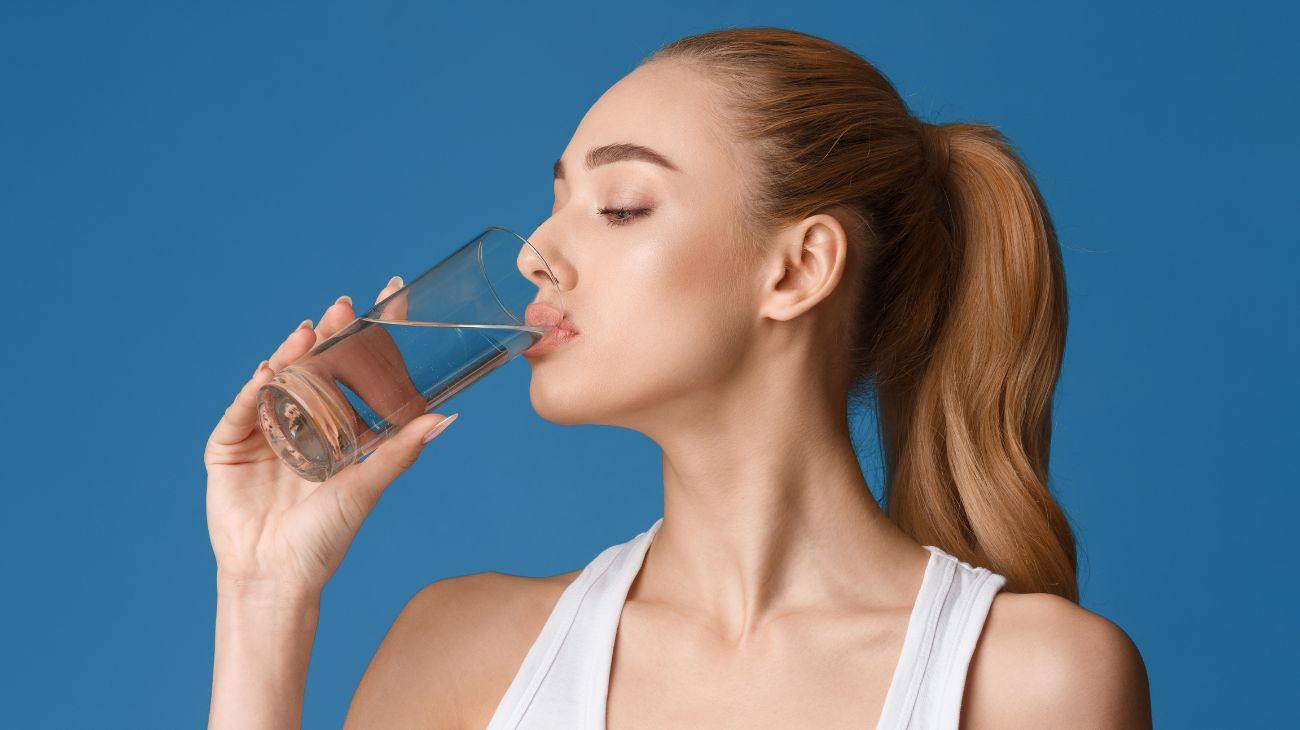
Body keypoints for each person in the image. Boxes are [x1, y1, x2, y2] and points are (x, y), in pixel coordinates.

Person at [206, 26, 1151, 729]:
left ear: (797, 269)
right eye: (556, 200)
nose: (536, 251)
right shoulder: (459, 654)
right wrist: (263, 593)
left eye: (620, 207)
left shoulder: (1032, 684)